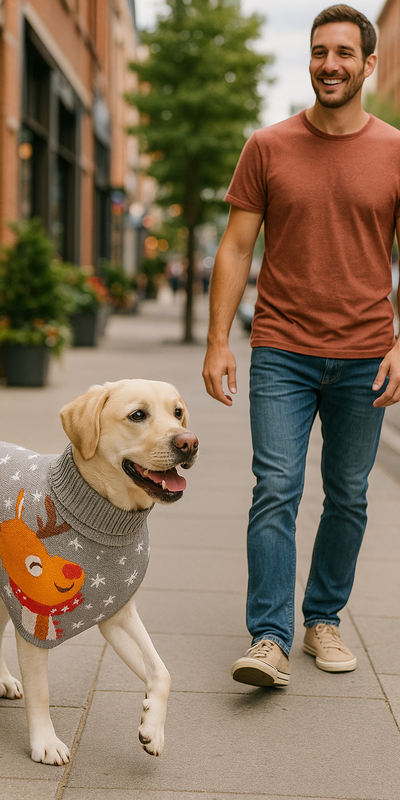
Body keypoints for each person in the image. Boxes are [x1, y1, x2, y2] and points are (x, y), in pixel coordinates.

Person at [202, 4, 400, 688]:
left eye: (343, 53)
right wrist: (218, 341)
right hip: (281, 348)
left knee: (347, 495)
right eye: (319, 52)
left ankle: (322, 619)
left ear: (368, 64)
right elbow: (236, 248)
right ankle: (268, 637)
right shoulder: (268, 145)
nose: (329, 64)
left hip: (365, 353)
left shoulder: (395, 150)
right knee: (276, 489)